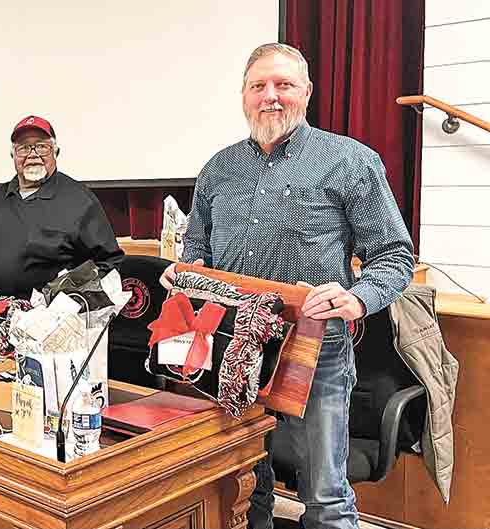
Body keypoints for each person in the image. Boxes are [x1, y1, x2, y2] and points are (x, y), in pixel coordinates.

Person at [160, 43, 414, 529]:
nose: (270, 97)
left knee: (324, 497)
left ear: (307, 93)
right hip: (236, 350)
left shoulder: (350, 161)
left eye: (283, 85)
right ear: (244, 95)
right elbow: (198, 253)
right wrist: (184, 273)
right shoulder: (218, 168)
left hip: (316, 353)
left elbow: (395, 256)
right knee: (242, 487)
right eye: (259, 86)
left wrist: (357, 297)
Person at [0, 115, 123, 298]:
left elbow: (109, 263)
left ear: (55, 151)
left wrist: (67, 301)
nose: (33, 155)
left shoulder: (80, 201)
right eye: (23, 148)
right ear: (13, 155)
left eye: (41, 146)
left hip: (56, 318)